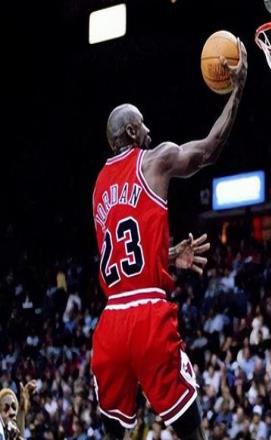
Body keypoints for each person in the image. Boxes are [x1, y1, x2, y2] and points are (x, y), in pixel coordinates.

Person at [90, 40, 247, 440]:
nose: (148, 129)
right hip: (146, 315)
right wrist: (238, 90)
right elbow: (209, 150)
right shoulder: (154, 159)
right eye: (142, 124)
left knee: (113, 434)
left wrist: (167, 253)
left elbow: (124, 250)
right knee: (190, 430)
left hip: (111, 321)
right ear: (131, 131)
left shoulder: (98, 186)